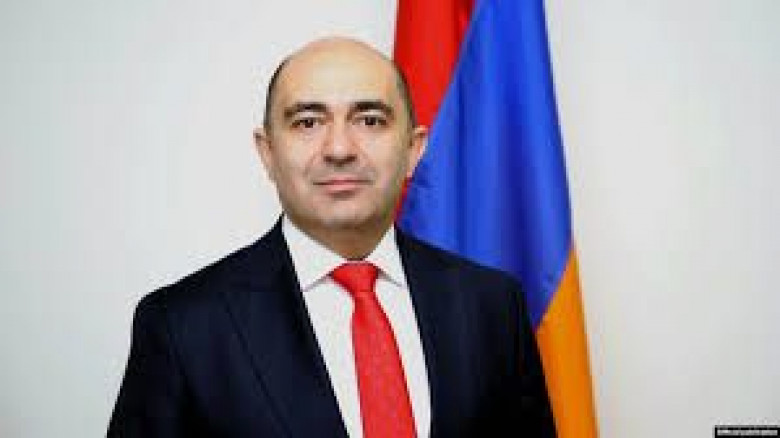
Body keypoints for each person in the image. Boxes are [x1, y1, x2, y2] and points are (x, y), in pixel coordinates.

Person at [108, 37, 555, 437]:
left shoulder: (492, 305)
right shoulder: (182, 325)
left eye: (370, 120)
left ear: (413, 150)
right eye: (308, 122)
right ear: (268, 153)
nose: (339, 149)